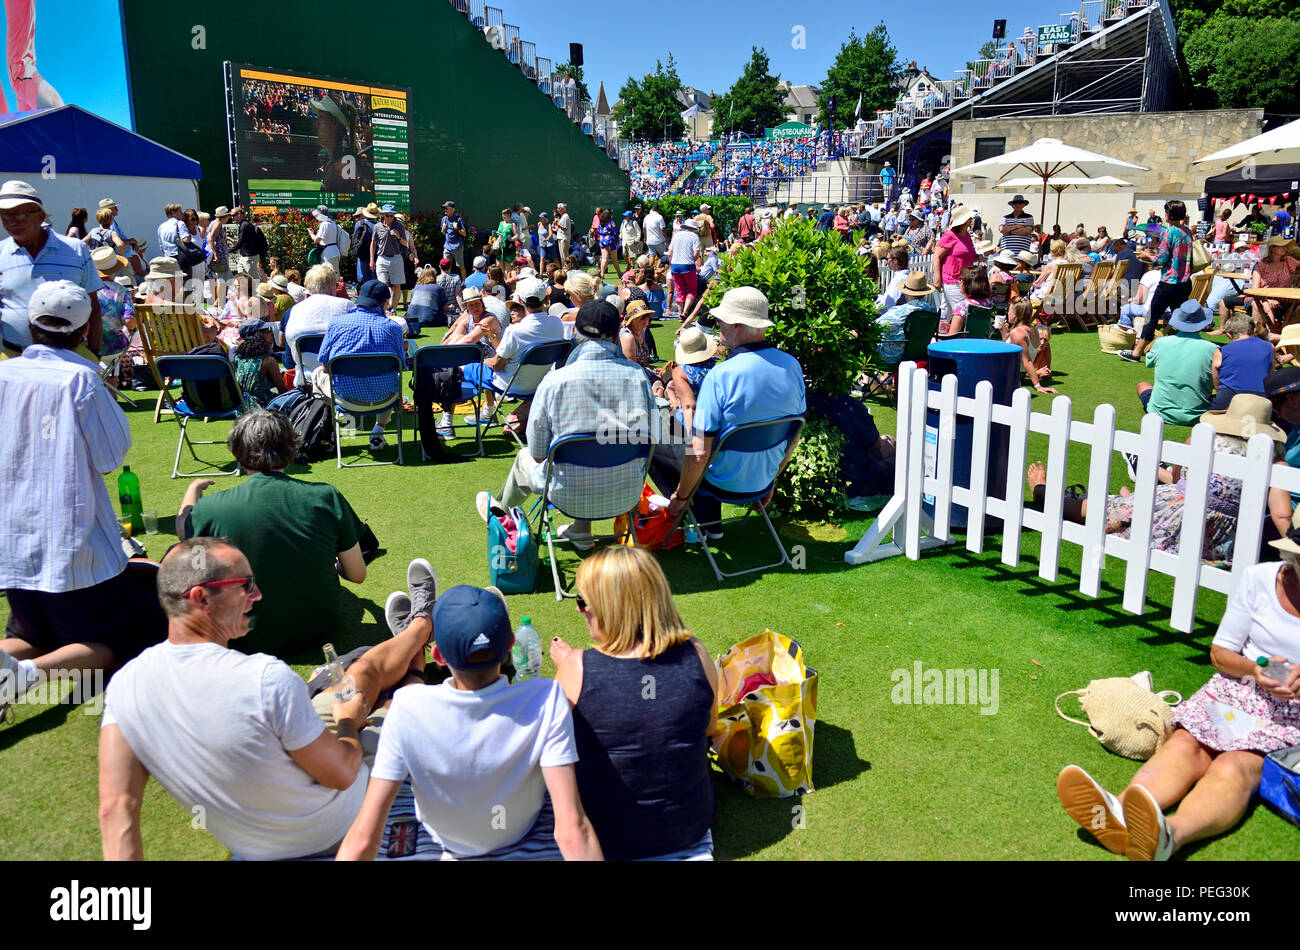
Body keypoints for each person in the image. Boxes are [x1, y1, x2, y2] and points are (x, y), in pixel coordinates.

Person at [98, 537, 439, 860]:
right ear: (202, 598)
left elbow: (116, 810)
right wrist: (350, 722)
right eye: (245, 585)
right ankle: (420, 659)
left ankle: (418, 628)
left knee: (359, 673)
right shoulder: (263, 678)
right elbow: (342, 774)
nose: (257, 595)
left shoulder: (124, 687)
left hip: (260, 840)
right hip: (338, 823)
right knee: (384, 700)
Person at [1056, 508, 1300, 860]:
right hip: (1241, 688)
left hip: (1289, 716)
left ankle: (1170, 835)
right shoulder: (1259, 579)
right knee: (1186, 744)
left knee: (1235, 766)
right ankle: (1119, 810)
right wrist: (1257, 668)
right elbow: (1220, 654)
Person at [336, 583, 603, 861]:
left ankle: (412, 644)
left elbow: (364, 839)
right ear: (510, 644)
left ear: (438, 657)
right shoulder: (546, 698)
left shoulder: (407, 705)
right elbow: (573, 831)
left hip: (443, 835)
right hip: (519, 830)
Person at [0, 281, 165, 723]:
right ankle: (27, 676)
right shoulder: (81, 380)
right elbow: (111, 458)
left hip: (13, 536)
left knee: (33, 630)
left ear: (30, 323)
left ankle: (16, 667)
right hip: (72, 542)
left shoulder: (3, 374)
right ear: (84, 327)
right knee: (120, 641)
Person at [548, 545, 717, 860]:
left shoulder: (577, 669)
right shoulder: (697, 654)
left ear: (612, 608)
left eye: (583, 602)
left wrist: (569, 665)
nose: (578, 609)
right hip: (689, 827)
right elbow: (709, 727)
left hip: (605, 835)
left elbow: (546, 751)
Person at [180, 410, 368, 657]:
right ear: (291, 448)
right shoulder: (326, 496)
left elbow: (185, 534)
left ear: (237, 450)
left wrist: (192, 490)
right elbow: (356, 574)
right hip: (318, 625)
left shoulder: (209, 508)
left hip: (242, 633)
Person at [475, 299, 656, 551]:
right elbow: (651, 437)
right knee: (596, 453)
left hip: (568, 492)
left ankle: (501, 517)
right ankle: (580, 530)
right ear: (616, 335)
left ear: (577, 333)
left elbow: (538, 454)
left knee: (527, 457)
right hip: (627, 491)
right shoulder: (638, 377)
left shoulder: (555, 381)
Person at [660, 287, 806, 537]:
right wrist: (771, 478)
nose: (717, 326)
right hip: (762, 481)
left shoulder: (722, 375)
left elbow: (697, 454)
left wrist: (681, 497)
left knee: (657, 438)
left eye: (720, 321)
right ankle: (707, 523)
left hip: (722, 481)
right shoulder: (791, 366)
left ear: (737, 325)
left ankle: (703, 522)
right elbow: (794, 436)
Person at [0, 179, 103, 355]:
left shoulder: (76, 250)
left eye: (19, 214)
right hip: (14, 356)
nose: (11, 221)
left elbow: (93, 304)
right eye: (5, 215)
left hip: (70, 355)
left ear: (40, 216)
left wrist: (94, 351)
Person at [314, 280, 407, 453]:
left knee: (317, 374)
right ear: (384, 302)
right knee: (394, 378)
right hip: (385, 397)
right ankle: (378, 430)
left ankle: (327, 431)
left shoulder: (336, 324)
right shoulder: (393, 328)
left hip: (345, 398)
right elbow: (400, 366)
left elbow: (326, 367)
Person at [462, 276, 565, 428]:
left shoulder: (515, 331)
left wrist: (483, 361)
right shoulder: (557, 324)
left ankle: (483, 414)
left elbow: (497, 365)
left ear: (521, 301)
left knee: (467, 368)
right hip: (541, 382)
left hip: (512, 385)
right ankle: (490, 411)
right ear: (546, 298)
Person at [1122, 200, 1195, 363]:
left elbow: (1161, 259)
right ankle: (1190, 350)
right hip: (1184, 282)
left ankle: (1136, 353)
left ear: (1170, 214)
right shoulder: (1187, 232)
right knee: (1181, 318)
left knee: (1151, 317)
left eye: (1166, 211)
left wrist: (1148, 256)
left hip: (1170, 281)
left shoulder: (1169, 233)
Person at [1135, 299, 1217, 426]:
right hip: (1197, 414)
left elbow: (1148, 362)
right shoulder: (1212, 349)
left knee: (1142, 385)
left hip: (1160, 413)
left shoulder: (1162, 343)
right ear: (1202, 324)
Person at [283, 264, 350, 383]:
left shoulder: (295, 310)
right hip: (341, 377)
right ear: (330, 286)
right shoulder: (346, 306)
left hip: (306, 379)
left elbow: (291, 347)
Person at [1219, 236, 1298, 333]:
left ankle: (1277, 334)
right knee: (1261, 305)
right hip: (1261, 298)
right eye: (1281, 246)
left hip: (1283, 299)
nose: (1285, 248)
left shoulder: (1289, 261)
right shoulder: (1261, 265)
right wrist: (1268, 299)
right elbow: (1255, 291)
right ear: (1272, 248)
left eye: (1285, 246)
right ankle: (1268, 333)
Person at [1210, 311, 1274, 410]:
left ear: (1229, 335)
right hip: (1261, 400)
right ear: (1253, 329)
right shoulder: (1269, 347)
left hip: (1229, 398)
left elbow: (1216, 381)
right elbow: (1270, 374)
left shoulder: (1221, 351)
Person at [874, 271, 936, 364]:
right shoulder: (931, 310)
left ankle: (865, 378)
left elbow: (875, 326)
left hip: (894, 357)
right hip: (919, 354)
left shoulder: (899, 312)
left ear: (906, 292)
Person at [934, 205, 977, 326]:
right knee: (961, 312)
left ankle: (943, 336)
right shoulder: (949, 235)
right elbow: (937, 256)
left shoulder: (967, 236)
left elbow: (968, 254)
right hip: (952, 279)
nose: (971, 220)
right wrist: (937, 279)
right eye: (969, 218)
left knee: (947, 313)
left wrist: (978, 257)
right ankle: (959, 337)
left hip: (964, 280)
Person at [1002, 298, 1055, 394]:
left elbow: (1027, 361)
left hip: (1008, 375)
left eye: (1008, 310)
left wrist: (1038, 386)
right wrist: (1004, 332)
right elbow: (1011, 349)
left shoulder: (1017, 333)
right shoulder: (1034, 330)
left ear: (1015, 313)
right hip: (1017, 375)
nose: (1007, 312)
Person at [619, 298, 665, 397]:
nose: (647, 320)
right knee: (660, 384)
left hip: (641, 371)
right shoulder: (627, 336)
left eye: (648, 316)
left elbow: (644, 361)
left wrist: (653, 368)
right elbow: (632, 369)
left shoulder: (642, 331)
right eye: (642, 317)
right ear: (633, 320)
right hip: (629, 377)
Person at [231, 318, 281, 408]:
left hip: (243, 406)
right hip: (266, 406)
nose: (270, 333)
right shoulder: (268, 361)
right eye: (266, 332)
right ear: (258, 337)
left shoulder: (238, 358)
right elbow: (282, 390)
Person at [370, 205, 410, 316]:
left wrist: (398, 236)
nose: (390, 218)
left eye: (392, 215)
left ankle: (393, 308)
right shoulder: (377, 227)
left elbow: (405, 243)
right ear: (383, 215)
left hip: (396, 258)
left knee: (397, 286)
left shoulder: (399, 226)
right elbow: (373, 243)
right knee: (383, 285)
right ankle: (386, 308)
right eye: (388, 215)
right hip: (382, 258)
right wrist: (372, 260)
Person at [943, 263, 991, 337]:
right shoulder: (987, 303)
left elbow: (952, 336)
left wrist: (938, 334)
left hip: (963, 345)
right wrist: (950, 326)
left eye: (961, 279)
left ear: (968, 284)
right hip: (981, 343)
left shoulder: (962, 306)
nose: (958, 281)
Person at [668, 217, 703, 318]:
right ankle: (685, 312)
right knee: (692, 289)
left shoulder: (676, 235)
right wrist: (692, 260)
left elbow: (670, 252)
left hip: (675, 265)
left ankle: (680, 314)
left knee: (679, 290)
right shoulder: (694, 236)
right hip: (688, 265)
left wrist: (671, 264)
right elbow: (696, 254)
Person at [307, 206, 342, 273]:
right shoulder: (333, 223)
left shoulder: (324, 224)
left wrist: (311, 233)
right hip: (335, 251)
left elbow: (316, 240)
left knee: (327, 276)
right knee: (335, 276)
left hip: (328, 254)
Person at [352, 203, 378, 285]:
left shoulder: (358, 224)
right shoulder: (379, 225)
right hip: (376, 256)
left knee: (364, 281)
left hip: (362, 256)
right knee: (375, 281)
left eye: (358, 216)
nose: (358, 219)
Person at [439, 200, 467, 277]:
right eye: (444, 208)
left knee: (461, 266)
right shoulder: (444, 219)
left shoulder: (458, 219)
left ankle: (464, 284)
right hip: (447, 247)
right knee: (445, 266)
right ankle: (446, 282)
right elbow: (444, 233)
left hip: (457, 247)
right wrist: (443, 230)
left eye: (446, 208)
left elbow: (464, 234)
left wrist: (457, 228)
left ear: (452, 209)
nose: (445, 210)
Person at [596, 209, 619, 279]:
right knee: (614, 258)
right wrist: (617, 239)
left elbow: (599, 231)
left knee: (604, 258)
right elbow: (615, 232)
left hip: (602, 241)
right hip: (610, 241)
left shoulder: (601, 223)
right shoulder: (611, 222)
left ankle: (602, 274)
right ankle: (619, 273)